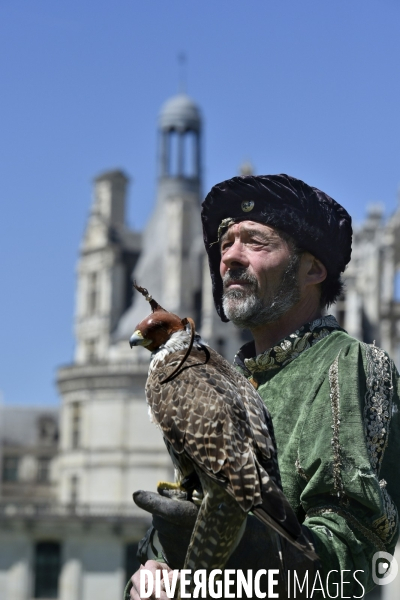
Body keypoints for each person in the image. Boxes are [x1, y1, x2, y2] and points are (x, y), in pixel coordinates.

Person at [129, 174, 400, 599]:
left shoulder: (350, 364)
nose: (230, 258)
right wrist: (156, 565)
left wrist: (255, 556)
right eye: (226, 243)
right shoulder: (219, 376)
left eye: (255, 241)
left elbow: (355, 547)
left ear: (312, 269)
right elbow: (193, 510)